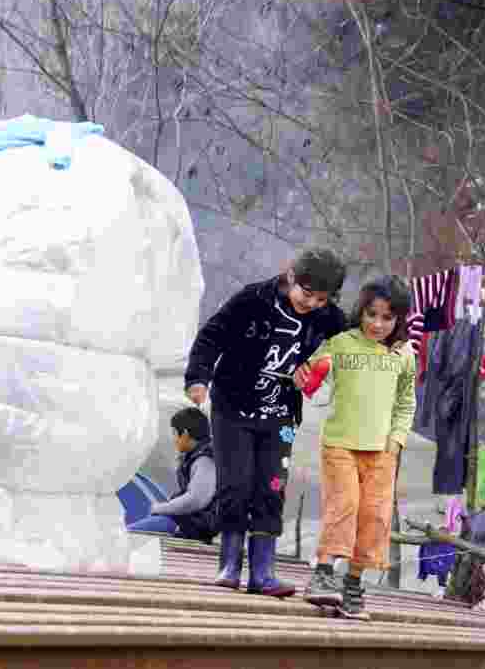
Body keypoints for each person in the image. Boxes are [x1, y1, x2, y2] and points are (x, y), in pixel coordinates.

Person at [184, 248, 348, 597]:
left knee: (272, 487)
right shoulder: (252, 299)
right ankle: (229, 564)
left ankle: (263, 571)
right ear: (290, 276)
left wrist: (323, 366)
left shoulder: (330, 317)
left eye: (321, 299)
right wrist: (198, 377)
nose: (312, 304)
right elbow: (212, 335)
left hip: (282, 416)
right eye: (307, 294)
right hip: (233, 411)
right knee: (236, 485)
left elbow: (352, 344)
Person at [298, 275, 417, 620]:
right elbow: (307, 371)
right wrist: (308, 374)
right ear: (360, 311)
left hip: (382, 451)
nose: (378, 324)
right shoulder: (340, 342)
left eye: (387, 317)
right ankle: (322, 574)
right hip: (340, 443)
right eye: (372, 314)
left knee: (375, 517)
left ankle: (352, 583)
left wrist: (396, 442)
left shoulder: (403, 353)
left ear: (398, 319)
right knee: (344, 505)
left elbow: (406, 402)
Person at [128, 408, 218, 542]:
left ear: (185, 434)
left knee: (130, 534)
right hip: (191, 522)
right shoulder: (196, 456)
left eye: (175, 433)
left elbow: (196, 499)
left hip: (194, 525)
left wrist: (161, 508)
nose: (174, 439)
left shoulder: (204, 460)